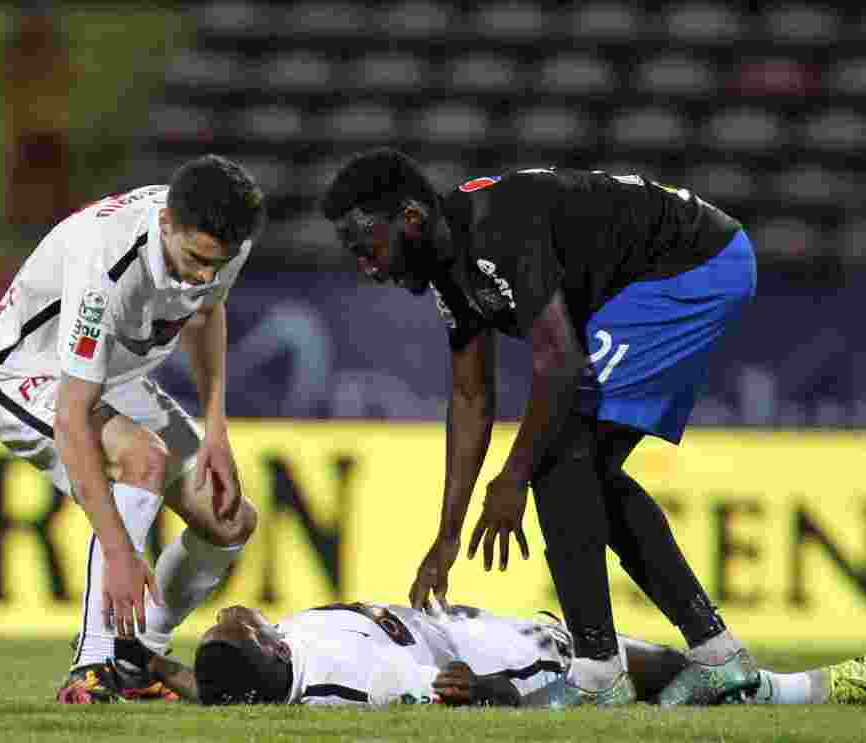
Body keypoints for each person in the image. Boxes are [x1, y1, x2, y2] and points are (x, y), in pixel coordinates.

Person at [320, 149, 761, 706]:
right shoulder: (448, 266)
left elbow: (560, 364)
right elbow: (471, 396)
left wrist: (512, 478)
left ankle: (600, 670)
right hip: (659, 276)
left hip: (694, 266)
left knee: (558, 461)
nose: (369, 266)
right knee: (579, 466)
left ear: (410, 218)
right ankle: (714, 653)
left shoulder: (497, 231)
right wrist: (448, 535)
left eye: (369, 248)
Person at [0, 154, 265, 704]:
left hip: (112, 376)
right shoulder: (105, 260)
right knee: (142, 459)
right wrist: (121, 550)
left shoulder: (226, 241)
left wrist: (216, 429)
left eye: (214, 264)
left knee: (229, 522)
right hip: (27, 370)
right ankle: (92, 665)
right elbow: (72, 417)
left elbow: (205, 311)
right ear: (167, 225)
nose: (204, 274)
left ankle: (137, 654)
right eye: (196, 260)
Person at [107, 602, 866, 708]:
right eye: (234, 625)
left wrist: (152, 670)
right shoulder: (353, 680)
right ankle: (799, 691)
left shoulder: (257, 668)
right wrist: (501, 682)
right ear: (269, 648)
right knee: (607, 658)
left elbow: (216, 689)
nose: (229, 613)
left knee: (606, 659)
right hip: (460, 644)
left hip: (434, 618)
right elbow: (453, 687)